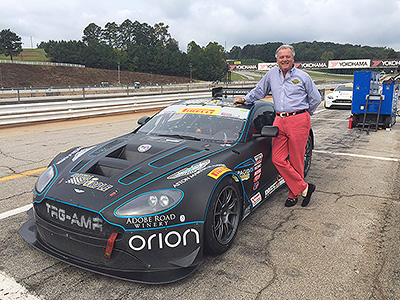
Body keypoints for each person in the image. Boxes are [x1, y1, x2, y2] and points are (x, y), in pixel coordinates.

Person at [234, 44, 321, 207]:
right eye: (281, 57)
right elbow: (260, 90)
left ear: (293, 58)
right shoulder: (271, 74)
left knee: (296, 159)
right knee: (278, 158)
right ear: (277, 60)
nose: (284, 59)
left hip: (298, 119)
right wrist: (245, 100)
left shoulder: (303, 76)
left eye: (288, 56)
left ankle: (293, 194)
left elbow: (316, 98)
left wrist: (304, 114)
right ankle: (304, 187)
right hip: (279, 120)